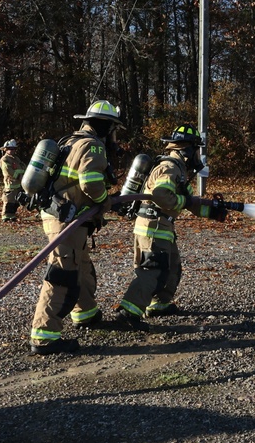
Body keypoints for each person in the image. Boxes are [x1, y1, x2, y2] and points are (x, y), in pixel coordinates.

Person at [29, 100, 122, 355]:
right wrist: (106, 202)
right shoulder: (93, 146)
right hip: (67, 221)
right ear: (106, 126)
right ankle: (44, 337)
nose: (115, 135)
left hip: (64, 217)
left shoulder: (70, 141)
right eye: (114, 128)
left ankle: (86, 314)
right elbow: (91, 183)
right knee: (62, 274)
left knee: (80, 267)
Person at [115, 124, 208, 331]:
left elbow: (189, 201)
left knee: (172, 267)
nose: (199, 155)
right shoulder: (170, 168)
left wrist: (214, 212)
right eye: (197, 149)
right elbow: (161, 196)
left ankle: (159, 305)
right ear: (188, 149)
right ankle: (128, 312)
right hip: (153, 226)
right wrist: (183, 202)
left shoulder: (179, 169)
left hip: (161, 226)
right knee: (153, 270)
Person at [0, 140, 24, 222]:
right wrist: (19, 176)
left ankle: (12, 215)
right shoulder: (5, 159)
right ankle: (5, 216)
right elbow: (8, 171)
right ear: (5, 149)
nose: (12, 150)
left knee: (16, 201)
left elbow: (22, 167)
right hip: (10, 183)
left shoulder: (16, 158)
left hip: (19, 183)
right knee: (9, 200)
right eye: (10, 148)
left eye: (13, 149)